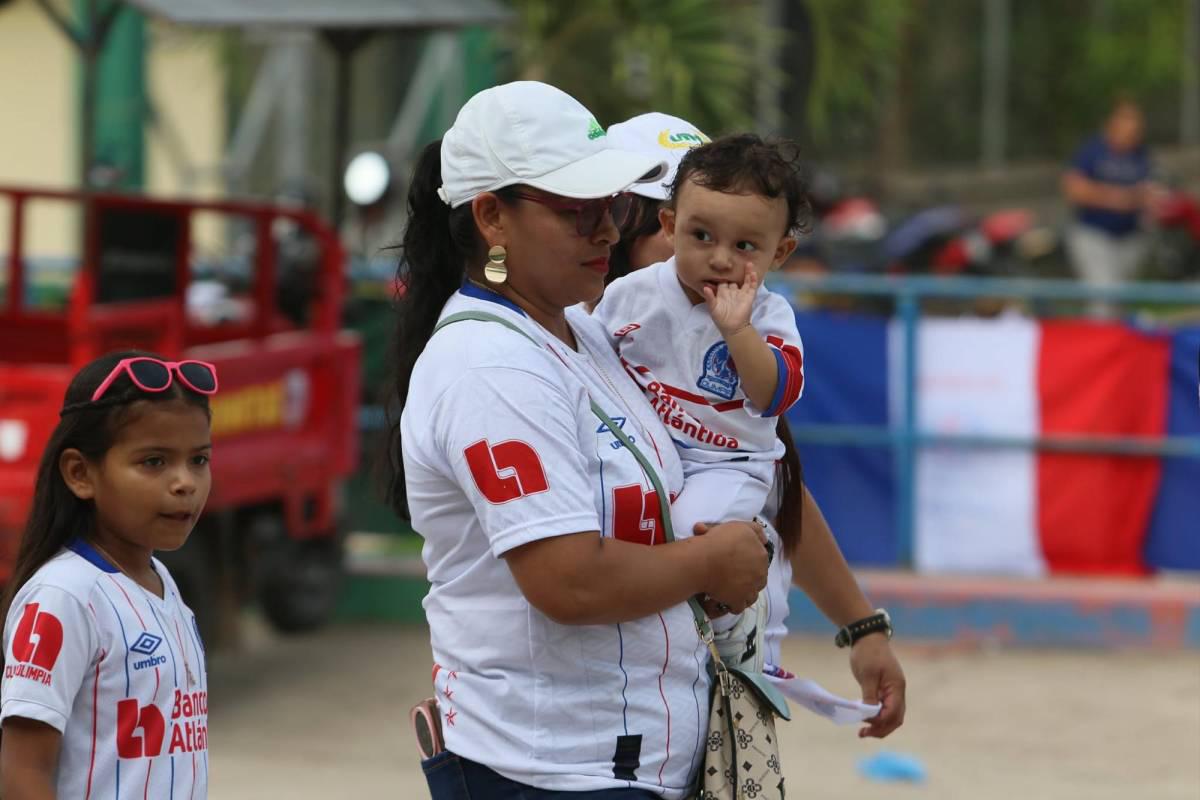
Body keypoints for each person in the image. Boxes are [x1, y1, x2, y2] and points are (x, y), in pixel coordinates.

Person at [385, 81, 772, 799]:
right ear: (492, 215)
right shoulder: (491, 363)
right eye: (578, 211)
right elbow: (568, 580)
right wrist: (710, 560)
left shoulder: (583, 332)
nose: (606, 231)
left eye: (616, 206)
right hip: (548, 771)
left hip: (618, 763)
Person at [595, 114, 906, 735]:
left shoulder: (749, 323)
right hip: (601, 697)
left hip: (708, 682)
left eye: (744, 241)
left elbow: (778, 486)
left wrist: (863, 629)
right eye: (696, 230)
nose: (717, 257)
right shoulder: (596, 327)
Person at [0, 351, 215, 798]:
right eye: (154, 461)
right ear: (81, 474)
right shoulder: (63, 596)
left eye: (198, 460)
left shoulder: (163, 583)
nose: (185, 483)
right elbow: (23, 773)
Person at [1062, 96, 1159, 317]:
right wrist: (1118, 198)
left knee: (1120, 304)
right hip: (1094, 234)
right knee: (1103, 302)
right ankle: (1096, 350)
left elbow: (1150, 189)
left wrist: (1147, 200)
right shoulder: (1093, 150)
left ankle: (1116, 351)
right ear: (1112, 124)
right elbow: (1074, 188)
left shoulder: (1141, 154)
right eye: (1126, 121)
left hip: (1130, 238)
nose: (1132, 129)